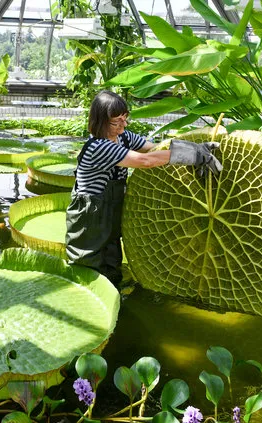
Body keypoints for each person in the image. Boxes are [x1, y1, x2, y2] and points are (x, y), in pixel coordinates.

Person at [65, 90, 222, 285]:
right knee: (87, 266)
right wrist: (193, 155)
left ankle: (115, 299)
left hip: (110, 210)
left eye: (125, 118)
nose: (123, 125)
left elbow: (154, 148)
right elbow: (145, 160)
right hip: (89, 215)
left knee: (112, 261)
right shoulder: (99, 147)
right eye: (116, 122)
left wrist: (193, 147)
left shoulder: (123, 137)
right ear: (100, 121)